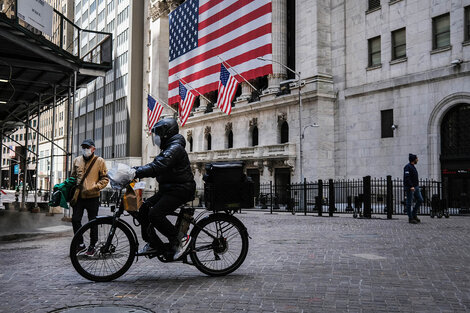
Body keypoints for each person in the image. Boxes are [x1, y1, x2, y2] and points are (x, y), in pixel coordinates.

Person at [133, 118, 196, 260]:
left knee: (155, 214)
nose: (156, 137)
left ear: (166, 133)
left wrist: (135, 172)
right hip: (169, 189)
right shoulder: (168, 148)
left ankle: (180, 239)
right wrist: (136, 170)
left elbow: (158, 166)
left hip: (180, 189)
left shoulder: (175, 148)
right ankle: (153, 243)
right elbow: (155, 165)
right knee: (144, 209)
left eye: (158, 133)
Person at [71, 139, 109, 255]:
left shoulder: (100, 161)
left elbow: (105, 178)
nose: (85, 150)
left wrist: (96, 187)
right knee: (75, 220)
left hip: (93, 197)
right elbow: (73, 177)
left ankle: (92, 245)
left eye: (87, 147)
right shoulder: (76, 160)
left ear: (93, 149)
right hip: (79, 197)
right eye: (83, 147)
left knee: (93, 222)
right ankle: (81, 244)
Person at [404, 153, 423, 224]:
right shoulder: (407, 167)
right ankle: (410, 218)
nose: (417, 159)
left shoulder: (413, 167)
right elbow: (407, 178)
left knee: (420, 200)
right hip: (410, 188)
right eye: (416, 158)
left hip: (416, 187)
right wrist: (411, 186)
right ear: (413, 160)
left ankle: (413, 213)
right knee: (409, 203)